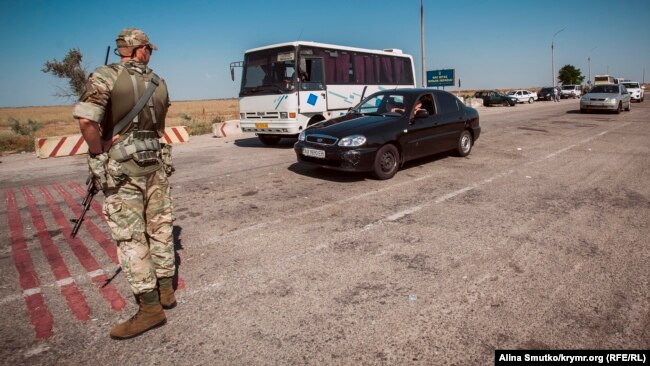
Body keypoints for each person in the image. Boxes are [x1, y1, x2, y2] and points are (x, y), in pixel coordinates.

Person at [72, 28, 177, 340]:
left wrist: (98, 149)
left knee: (131, 238)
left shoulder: (104, 77)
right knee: (160, 227)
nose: (151, 55)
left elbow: (87, 121)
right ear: (139, 49)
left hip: (123, 168)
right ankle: (166, 291)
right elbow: (156, 125)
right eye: (149, 50)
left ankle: (149, 310)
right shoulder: (159, 83)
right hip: (156, 163)